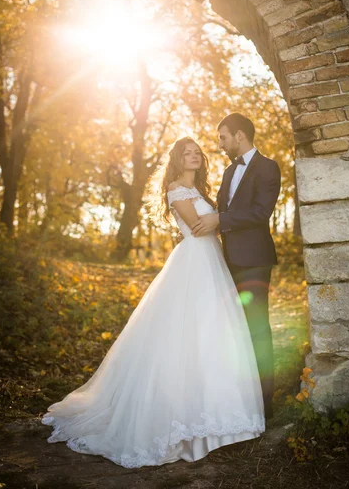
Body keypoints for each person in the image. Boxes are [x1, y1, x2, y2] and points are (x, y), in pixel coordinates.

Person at [41, 136, 265, 469]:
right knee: (186, 331)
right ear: (177, 160)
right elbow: (197, 226)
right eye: (187, 153)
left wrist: (222, 218)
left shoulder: (202, 192)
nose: (194, 157)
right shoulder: (177, 189)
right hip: (194, 262)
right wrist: (223, 219)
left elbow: (213, 222)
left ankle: (218, 418)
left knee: (212, 332)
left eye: (197, 153)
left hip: (211, 262)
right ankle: (183, 421)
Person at [191, 114, 281, 419]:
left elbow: (260, 213)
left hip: (254, 261)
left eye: (223, 137)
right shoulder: (229, 172)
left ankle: (265, 404)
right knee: (233, 330)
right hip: (226, 261)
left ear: (240, 136)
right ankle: (240, 398)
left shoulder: (268, 168)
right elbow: (222, 211)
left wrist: (220, 220)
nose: (220, 144)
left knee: (257, 329)